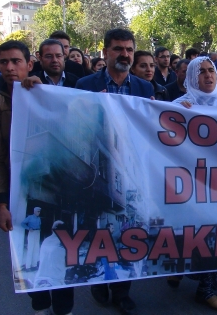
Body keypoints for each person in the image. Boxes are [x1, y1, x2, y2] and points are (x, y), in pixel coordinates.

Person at [0, 40, 75, 315]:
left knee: (60, 254)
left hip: (60, 191)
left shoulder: (47, 96)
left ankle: (64, 309)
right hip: (21, 194)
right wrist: (1, 205)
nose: (10, 67)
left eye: (16, 61)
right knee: (28, 254)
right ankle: (39, 305)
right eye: (4, 62)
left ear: (29, 64)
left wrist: (42, 95)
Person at [76, 29, 152, 315]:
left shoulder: (145, 88)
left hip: (132, 170)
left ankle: (122, 291)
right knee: (98, 227)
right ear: (105, 52)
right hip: (98, 169)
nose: (125, 55)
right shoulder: (84, 85)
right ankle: (98, 281)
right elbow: (74, 120)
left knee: (127, 230)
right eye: (118, 49)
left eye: (129, 50)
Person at [172, 57, 217, 311]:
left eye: (211, 71)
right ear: (191, 77)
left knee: (215, 233)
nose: (208, 76)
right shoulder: (181, 105)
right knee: (191, 233)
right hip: (190, 184)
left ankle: (206, 289)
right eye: (201, 72)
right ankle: (178, 270)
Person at [21, 207, 42, 271]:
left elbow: (40, 225)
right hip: (32, 233)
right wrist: (28, 228)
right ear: (34, 211)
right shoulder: (30, 217)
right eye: (38, 211)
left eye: (39, 211)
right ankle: (28, 266)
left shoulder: (39, 218)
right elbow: (22, 223)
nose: (39, 213)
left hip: (37, 233)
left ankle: (34, 265)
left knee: (36, 249)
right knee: (30, 249)